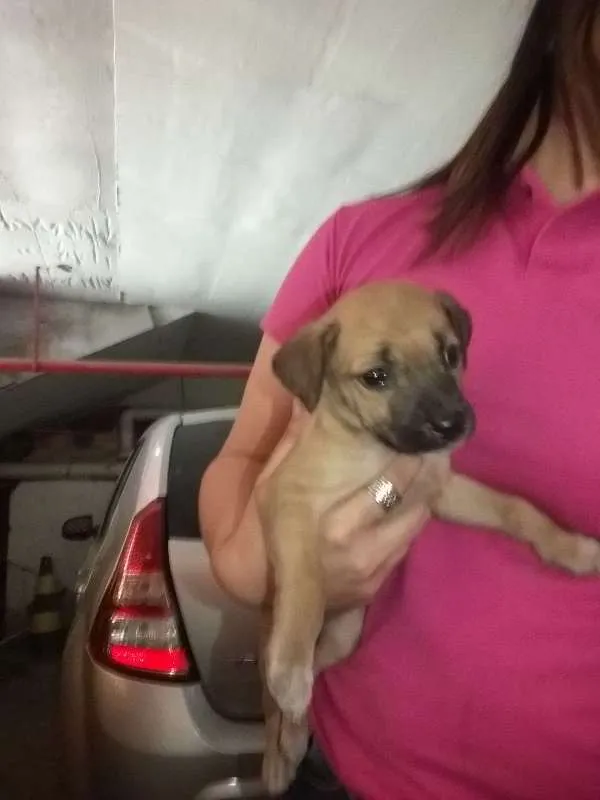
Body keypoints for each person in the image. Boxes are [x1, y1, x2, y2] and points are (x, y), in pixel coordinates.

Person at [199, 2, 600, 797]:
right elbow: (243, 459)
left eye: (449, 359)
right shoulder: (362, 241)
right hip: (348, 771)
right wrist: (259, 570)